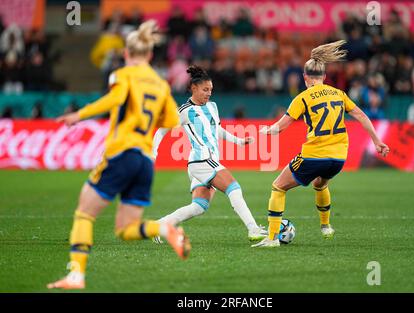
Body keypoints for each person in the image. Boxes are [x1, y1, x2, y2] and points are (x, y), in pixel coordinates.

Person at [47, 20, 191, 290]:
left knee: (84, 213)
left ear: (126, 53)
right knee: (125, 229)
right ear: (149, 55)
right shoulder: (161, 85)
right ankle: (164, 229)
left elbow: (113, 100)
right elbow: (172, 120)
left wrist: (78, 115)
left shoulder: (122, 75)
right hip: (145, 160)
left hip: (121, 152)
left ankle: (76, 275)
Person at [252, 40, 390, 247]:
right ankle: (326, 227)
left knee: (278, 187)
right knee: (320, 183)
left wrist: (265, 130)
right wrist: (377, 140)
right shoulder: (339, 93)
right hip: (339, 157)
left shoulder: (303, 97)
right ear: (324, 77)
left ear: (305, 77)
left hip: (314, 154)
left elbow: (281, 127)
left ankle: (272, 238)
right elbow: (360, 115)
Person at [152, 65, 267, 242]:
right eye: (205, 89)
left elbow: (217, 129)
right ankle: (253, 229)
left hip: (206, 162)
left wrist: (238, 141)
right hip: (201, 160)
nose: (208, 93)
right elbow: (161, 131)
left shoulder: (212, 106)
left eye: (211, 90)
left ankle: (160, 225)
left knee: (199, 206)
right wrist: (154, 153)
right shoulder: (184, 111)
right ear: (194, 88)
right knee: (234, 188)